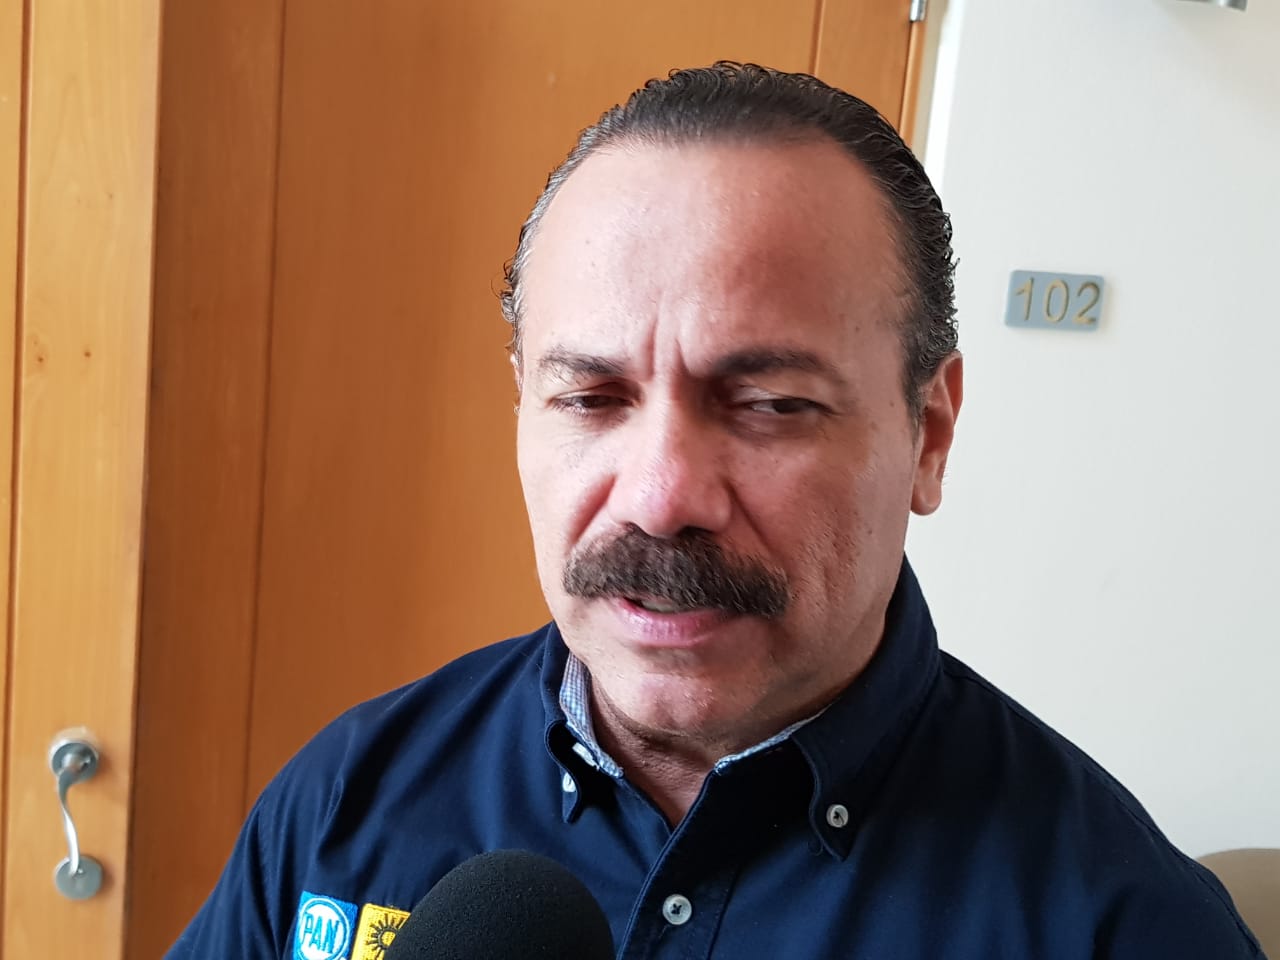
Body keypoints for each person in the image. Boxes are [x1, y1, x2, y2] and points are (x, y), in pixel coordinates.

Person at [167, 63, 1263, 960]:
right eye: (591, 399)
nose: (659, 499)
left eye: (769, 405)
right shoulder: (345, 801)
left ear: (927, 434)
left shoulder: (1119, 923)